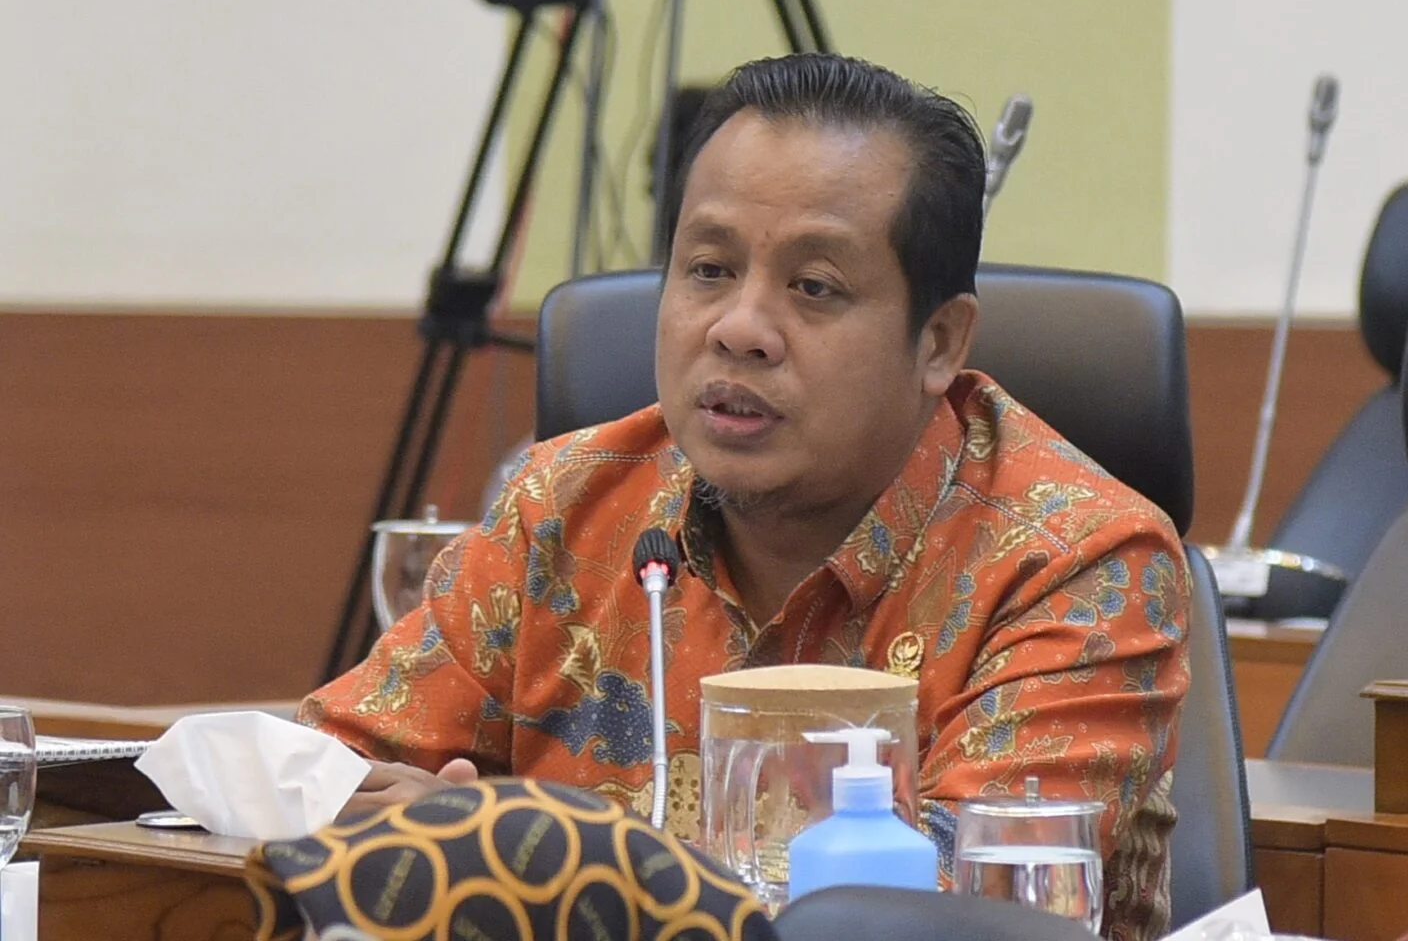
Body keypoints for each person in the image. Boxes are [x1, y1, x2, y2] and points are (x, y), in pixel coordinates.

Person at [301, 53, 1189, 941]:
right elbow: (316, 782)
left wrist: (517, 856)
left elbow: (944, 915)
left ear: (939, 343)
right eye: (709, 269)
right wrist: (371, 822)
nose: (739, 328)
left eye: (814, 287)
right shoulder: (562, 507)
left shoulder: (1077, 562)